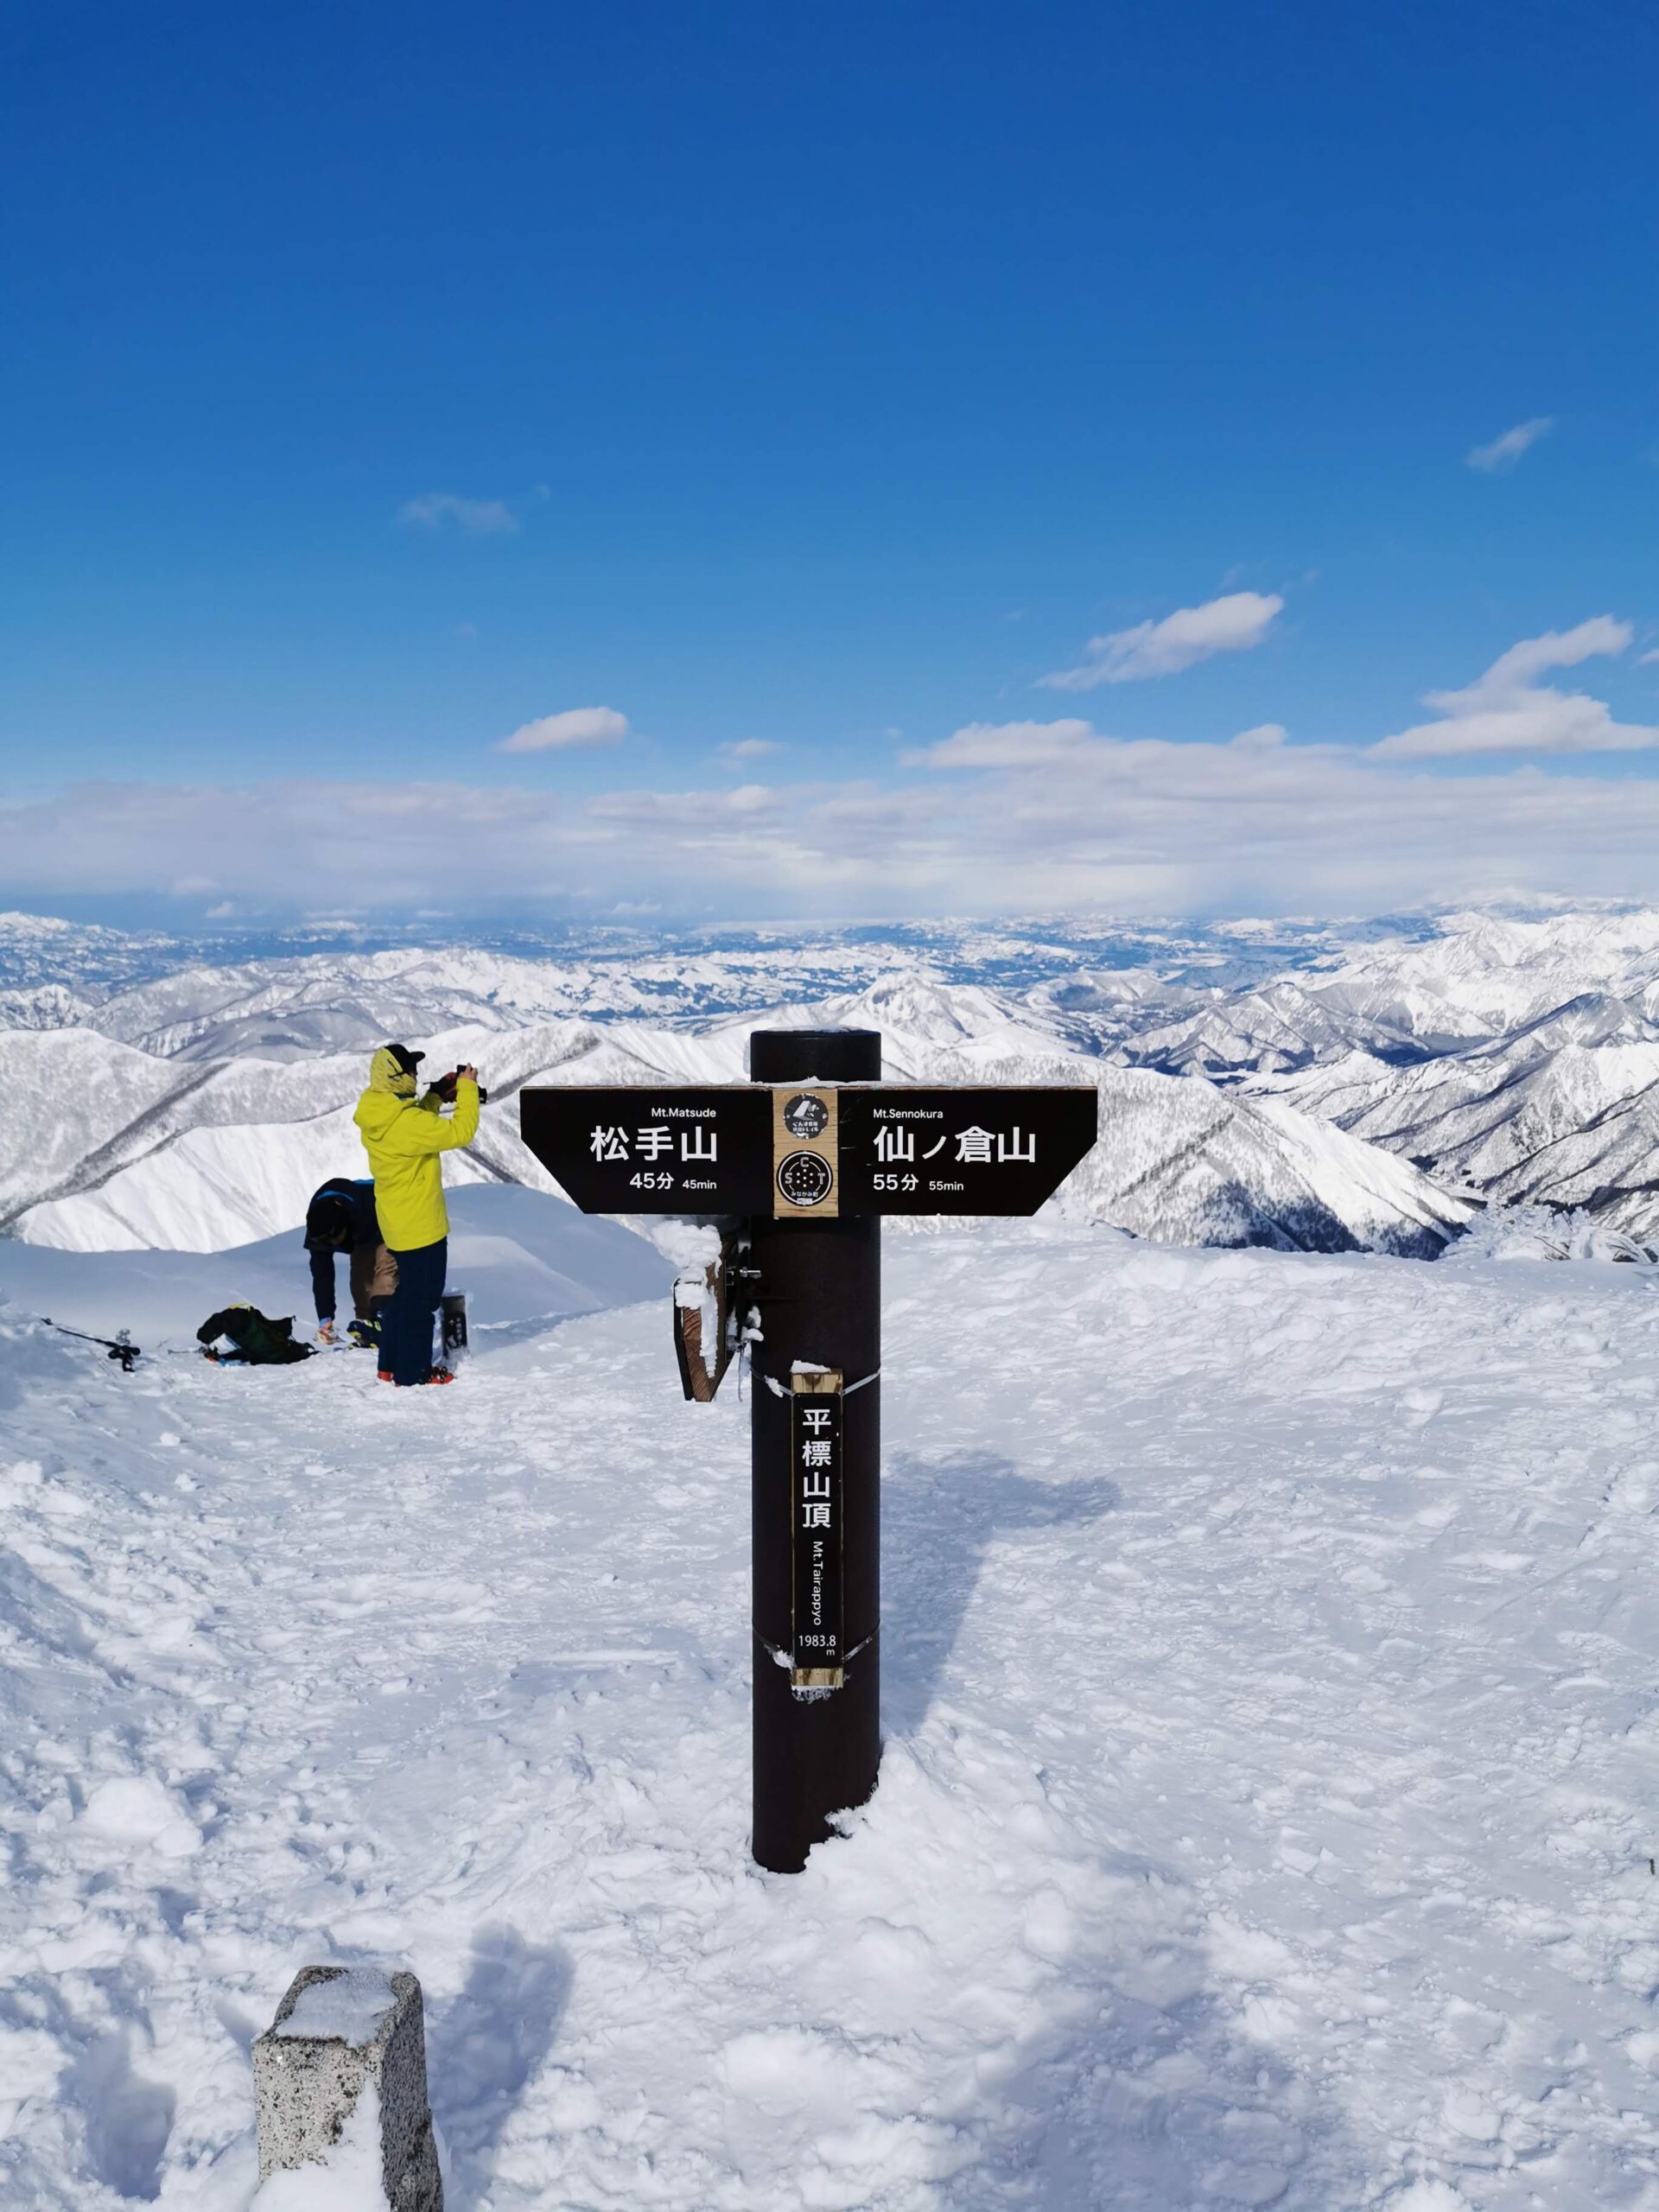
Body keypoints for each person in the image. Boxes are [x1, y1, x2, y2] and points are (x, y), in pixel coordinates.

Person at [352, 1044, 480, 1387]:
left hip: (398, 1223)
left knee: (405, 1295)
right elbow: (460, 1133)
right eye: (410, 1069)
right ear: (395, 1077)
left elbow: (413, 1121)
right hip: (423, 1227)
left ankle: (389, 1364)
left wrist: (436, 1094)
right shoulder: (405, 1124)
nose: (415, 1074)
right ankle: (413, 1373)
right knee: (422, 1303)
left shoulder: (379, 1111)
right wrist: (466, 1089)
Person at [302, 1175, 396, 1346]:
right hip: (360, 1230)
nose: (332, 1245)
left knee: (386, 1267)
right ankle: (366, 1325)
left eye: (335, 1240)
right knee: (360, 1277)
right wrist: (325, 1317)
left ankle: (385, 1319)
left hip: (389, 1214)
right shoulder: (317, 1226)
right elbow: (322, 1276)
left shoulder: (366, 1206)